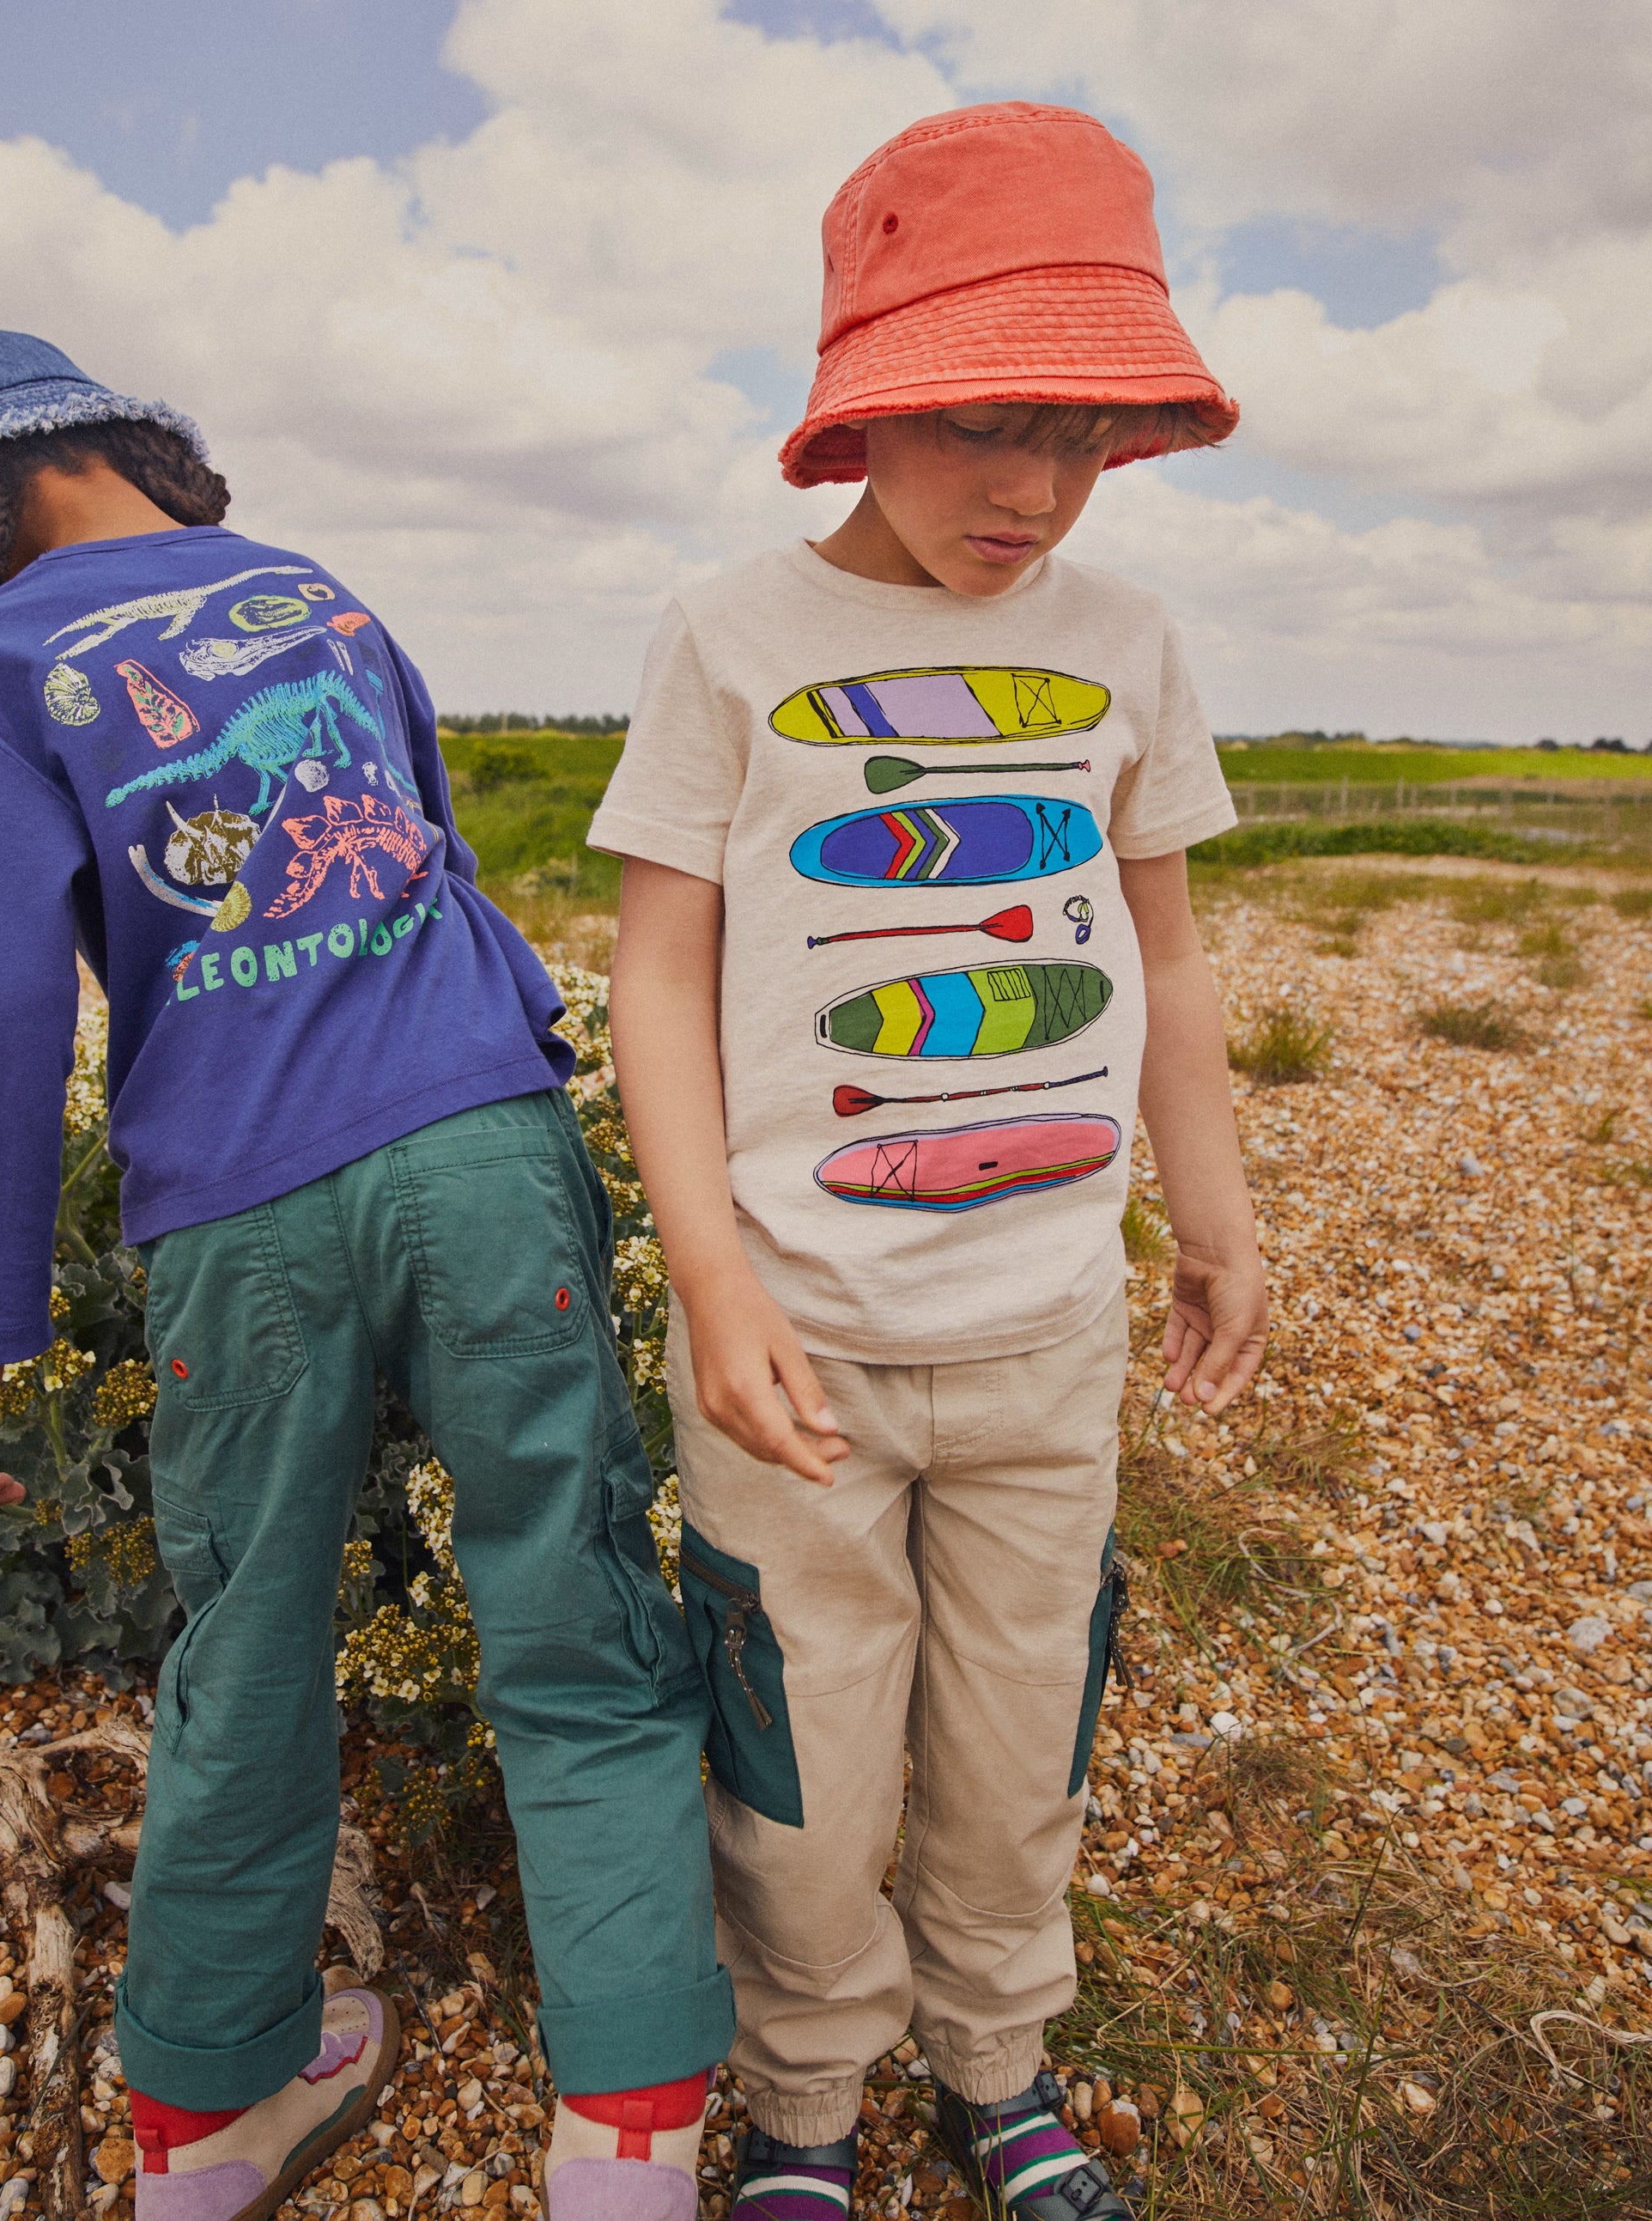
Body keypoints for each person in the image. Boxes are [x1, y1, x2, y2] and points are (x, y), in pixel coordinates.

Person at [0, 331, 732, 2221]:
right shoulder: (321, 597)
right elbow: (434, 857)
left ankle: (207, 2129)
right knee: (573, 1603)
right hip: (479, 1140)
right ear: (122, 448)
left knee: (250, 1651)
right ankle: (628, 2145)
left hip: (234, 1201)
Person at [592, 104, 1268, 2221]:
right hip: (802, 1345)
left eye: (1078, 428)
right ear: (863, 403)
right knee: (796, 1764)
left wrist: (1219, 1215)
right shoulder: (724, 639)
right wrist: (708, 1279)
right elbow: (657, 981)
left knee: (1012, 1738)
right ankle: (804, 2085)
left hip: (1049, 1336)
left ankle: (994, 2051)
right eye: (980, 416)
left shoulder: (1128, 640)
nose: (1032, 485)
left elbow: (1157, 947)